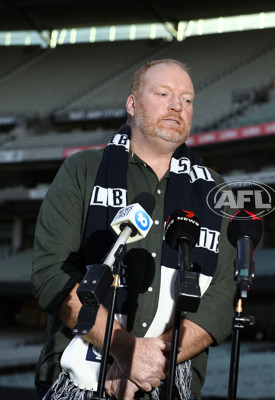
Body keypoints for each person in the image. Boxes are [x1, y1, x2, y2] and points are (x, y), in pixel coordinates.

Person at [32, 59, 236, 400]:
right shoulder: (82, 170)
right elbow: (52, 274)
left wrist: (151, 359)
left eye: (187, 100)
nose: (177, 106)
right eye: (163, 93)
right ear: (132, 104)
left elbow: (223, 295)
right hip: (75, 377)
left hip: (168, 383)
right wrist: (124, 349)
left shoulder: (217, 192)